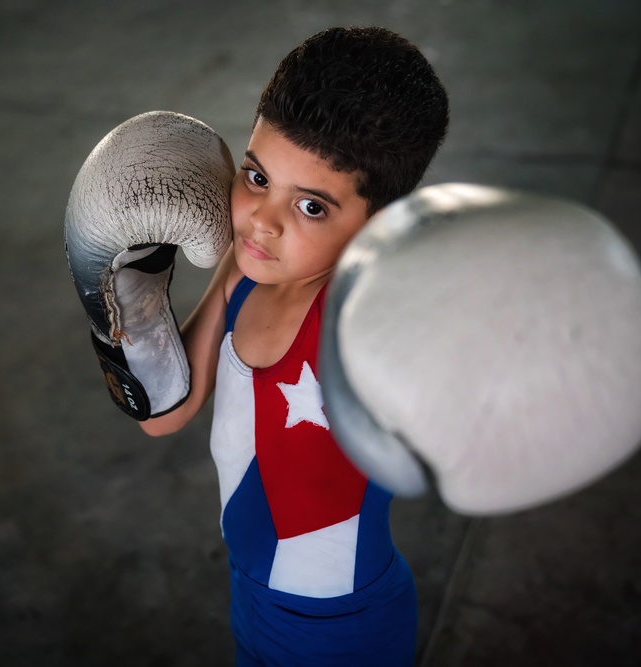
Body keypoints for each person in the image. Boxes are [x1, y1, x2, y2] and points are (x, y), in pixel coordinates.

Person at [140, 26, 449, 665]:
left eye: (311, 207)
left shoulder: (355, 318)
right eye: (257, 177)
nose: (263, 220)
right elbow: (165, 414)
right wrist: (128, 298)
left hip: (339, 626)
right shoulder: (244, 269)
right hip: (250, 592)